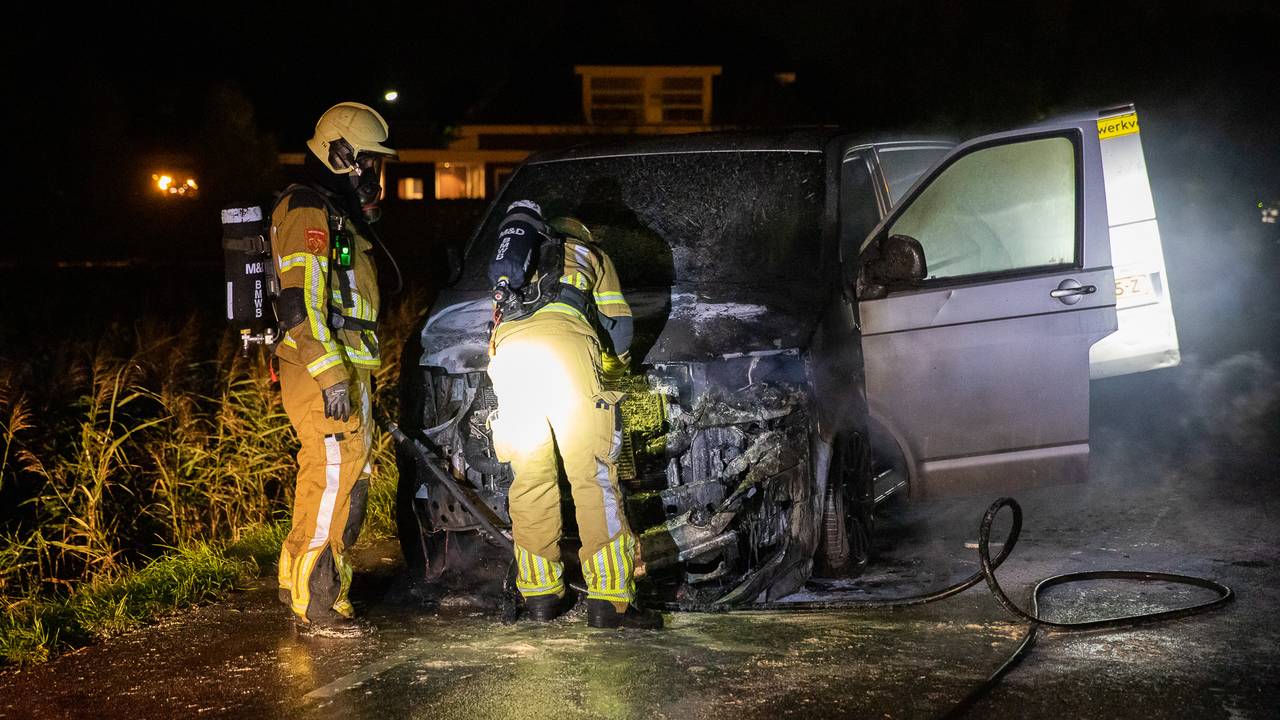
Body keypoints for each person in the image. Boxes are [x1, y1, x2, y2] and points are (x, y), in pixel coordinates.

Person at [485, 200, 662, 629]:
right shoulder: (591, 257)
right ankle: (610, 601)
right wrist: (612, 372)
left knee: (529, 478)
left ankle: (541, 595)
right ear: (582, 234)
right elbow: (620, 329)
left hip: (510, 361)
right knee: (592, 476)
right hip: (566, 356)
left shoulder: (516, 267)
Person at [271, 101, 395, 632]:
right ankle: (316, 603)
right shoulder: (306, 210)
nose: (374, 173)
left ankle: (303, 583)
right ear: (340, 153)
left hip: (347, 369)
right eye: (368, 161)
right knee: (332, 476)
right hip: (325, 371)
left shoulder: (334, 212)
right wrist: (331, 376)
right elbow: (299, 304)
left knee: (339, 477)